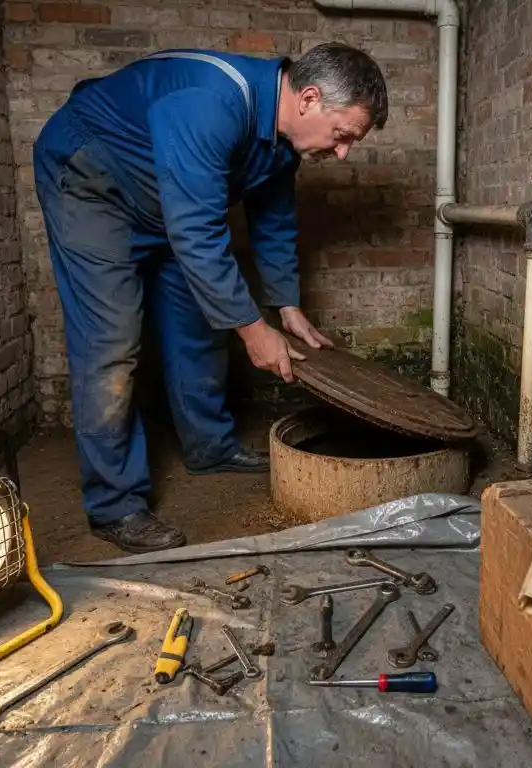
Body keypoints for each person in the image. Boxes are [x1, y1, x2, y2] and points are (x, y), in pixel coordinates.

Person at [32, 43, 389, 553]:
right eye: (342, 136)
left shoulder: (282, 140)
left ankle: (209, 447)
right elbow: (197, 232)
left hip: (166, 200)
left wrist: (284, 307)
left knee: (199, 321)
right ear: (309, 98)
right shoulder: (212, 101)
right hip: (92, 178)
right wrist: (253, 330)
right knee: (110, 341)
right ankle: (115, 505)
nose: (342, 153)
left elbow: (274, 220)